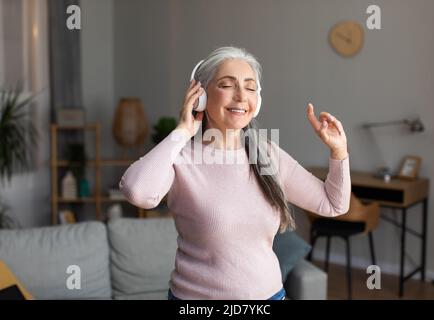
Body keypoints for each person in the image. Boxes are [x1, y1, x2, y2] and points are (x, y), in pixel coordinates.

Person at [119, 46, 351, 300]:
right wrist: (183, 131)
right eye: (227, 85)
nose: (241, 96)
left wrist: (339, 152)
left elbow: (333, 204)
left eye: (250, 87)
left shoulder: (267, 154)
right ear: (201, 96)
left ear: (258, 100)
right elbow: (137, 191)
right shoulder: (180, 157)